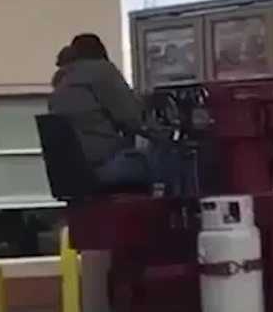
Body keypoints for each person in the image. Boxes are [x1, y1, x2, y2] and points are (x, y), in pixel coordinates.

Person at [49, 33, 186, 193]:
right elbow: (132, 118)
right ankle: (180, 210)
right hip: (106, 166)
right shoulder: (101, 70)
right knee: (175, 157)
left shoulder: (62, 82)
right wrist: (167, 135)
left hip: (73, 172)